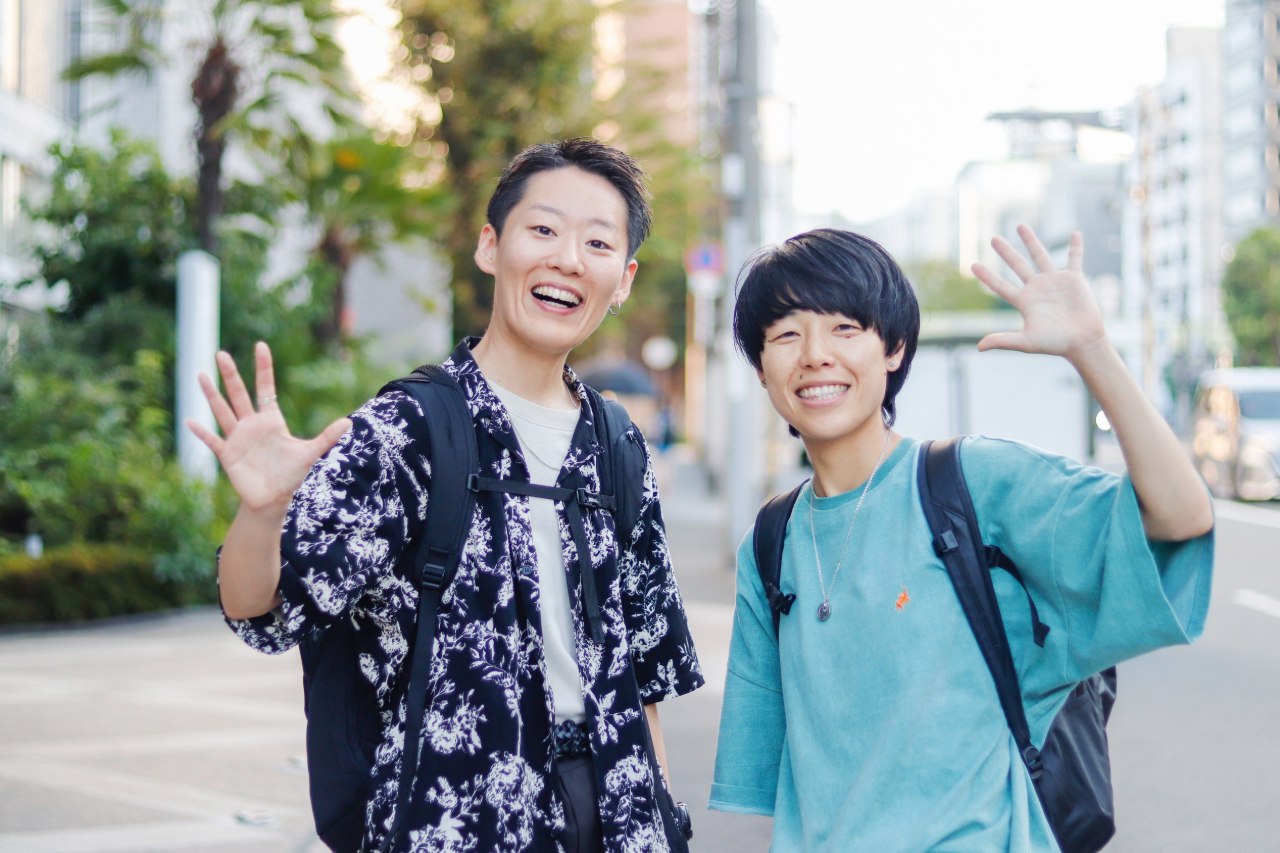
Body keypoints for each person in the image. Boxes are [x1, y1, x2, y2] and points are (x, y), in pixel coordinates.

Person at [188, 138, 704, 851]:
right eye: (544, 229)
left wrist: (660, 826)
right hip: (455, 819)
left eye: (597, 243)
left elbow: (643, 675)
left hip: (612, 817)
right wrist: (263, 511)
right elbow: (261, 608)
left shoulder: (617, 445)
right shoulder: (410, 428)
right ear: (491, 246)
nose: (568, 260)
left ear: (623, 280)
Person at [708, 225, 1214, 851]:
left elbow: (1180, 519)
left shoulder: (973, 481)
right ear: (761, 369)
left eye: (845, 328)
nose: (815, 355)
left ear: (893, 348)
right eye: (786, 335)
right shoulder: (769, 542)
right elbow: (782, 781)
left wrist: (1092, 350)